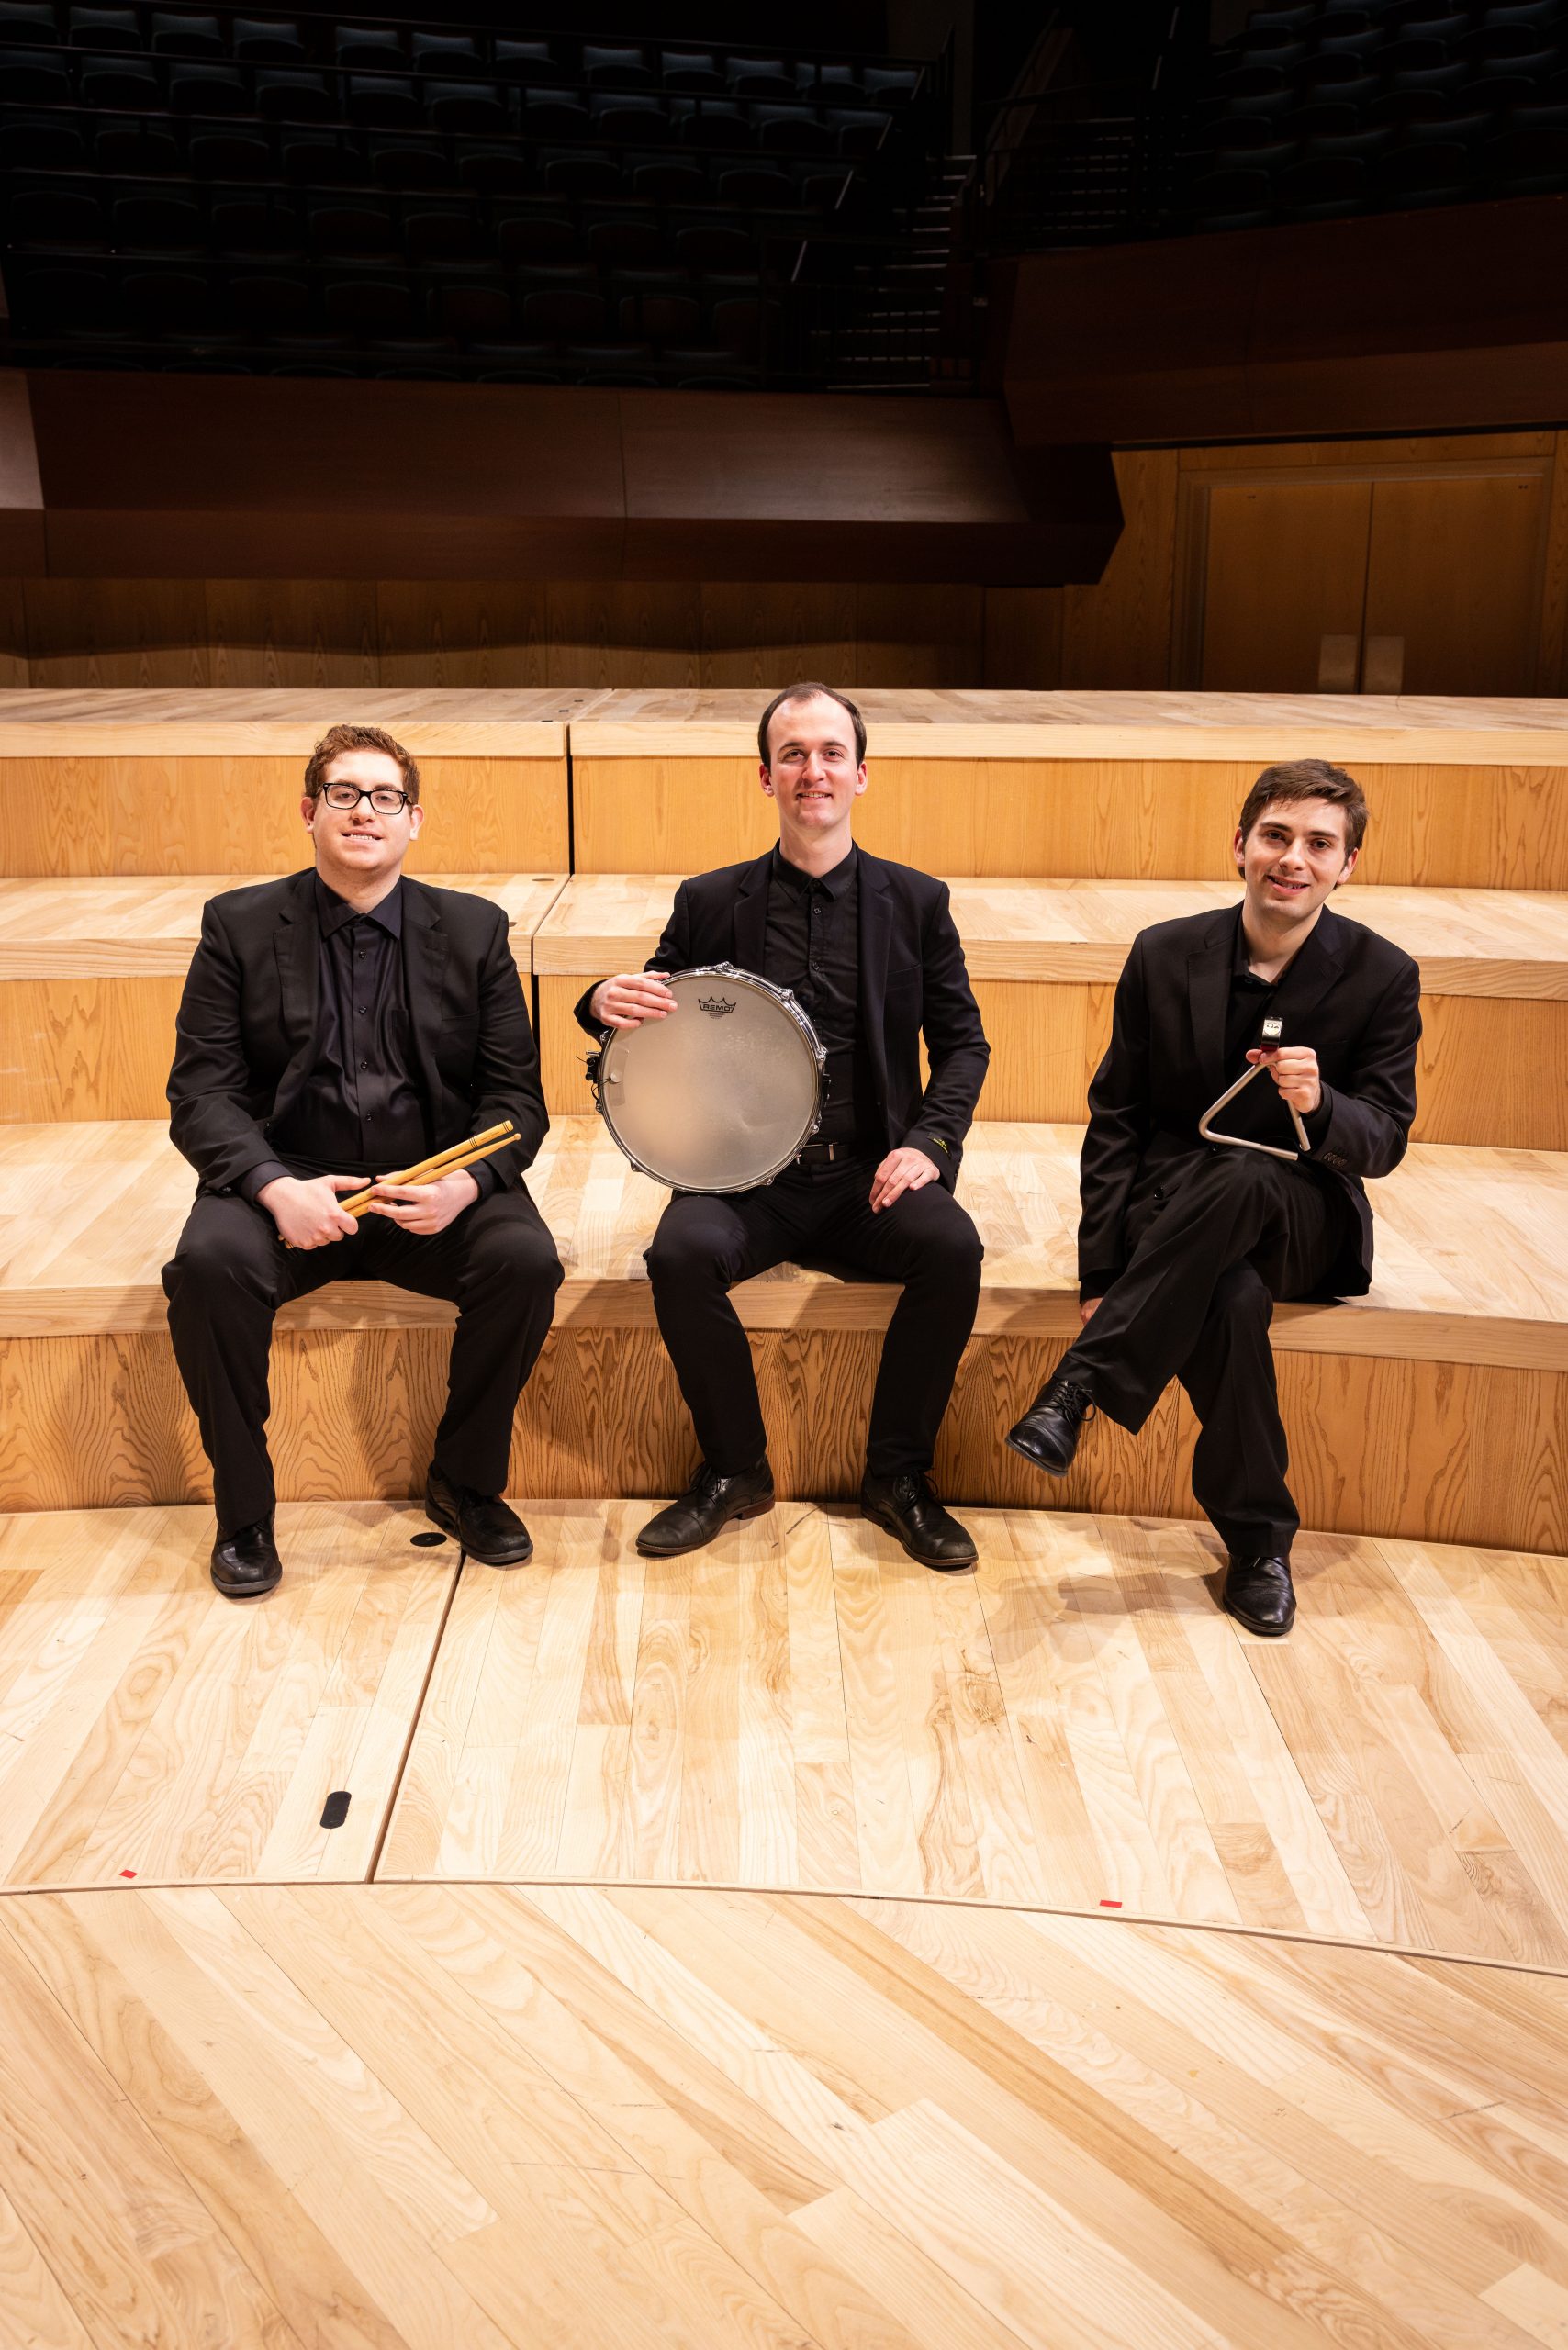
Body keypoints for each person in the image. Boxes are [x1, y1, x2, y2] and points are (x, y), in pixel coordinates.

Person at [577, 683, 990, 1570]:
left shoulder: (916, 902)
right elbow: (650, 1015)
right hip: (744, 1176)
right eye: (793, 755)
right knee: (679, 1255)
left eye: (830, 753)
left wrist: (928, 1145)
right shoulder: (710, 900)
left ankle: (899, 1477)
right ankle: (735, 1471)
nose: (813, 771)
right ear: (764, 777)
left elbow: (963, 1046)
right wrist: (595, 1001)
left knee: (953, 1251)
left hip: (865, 1176)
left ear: (861, 773)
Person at [1006, 758, 1420, 1637]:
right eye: (1275, 836)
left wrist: (1325, 1105)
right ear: (1240, 845)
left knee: (1249, 1172)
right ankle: (1262, 1544)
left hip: (1306, 1220)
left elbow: (1384, 1140)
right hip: (1180, 1221)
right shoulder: (1165, 951)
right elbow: (1116, 1117)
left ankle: (1079, 1389)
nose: (1293, 859)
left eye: (1319, 844)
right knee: (1227, 1299)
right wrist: (1100, 1271)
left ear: (1347, 866)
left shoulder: (1384, 975)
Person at [163, 722, 562, 1600]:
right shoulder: (235, 926)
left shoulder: (473, 930)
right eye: (343, 794)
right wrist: (271, 1187)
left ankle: (465, 1480)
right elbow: (201, 1095)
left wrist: (465, 1183)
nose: (363, 812)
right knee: (206, 1265)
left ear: (412, 821)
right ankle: (245, 1512)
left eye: (384, 797)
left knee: (525, 1261)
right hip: (290, 1178)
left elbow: (518, 1103)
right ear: (310, 812)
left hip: (429, 1187)